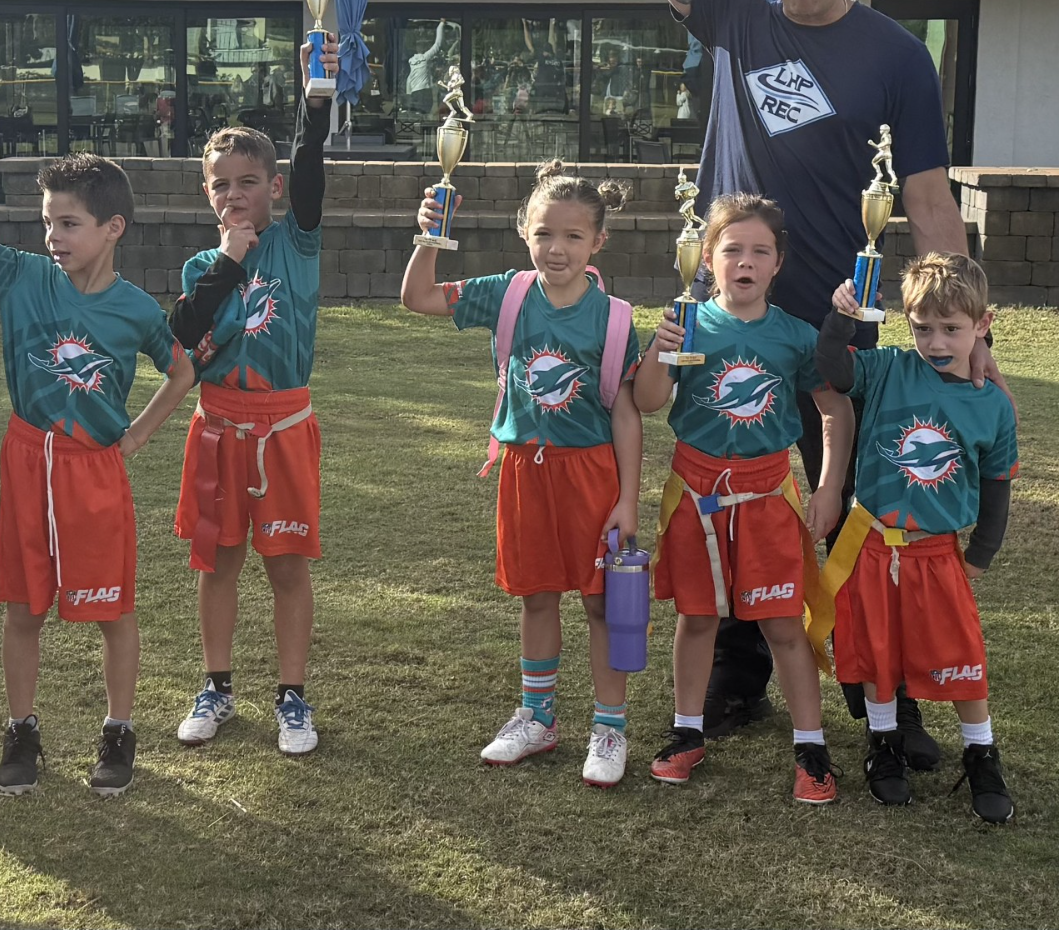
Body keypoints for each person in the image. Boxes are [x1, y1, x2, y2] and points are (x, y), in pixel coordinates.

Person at [579, 0, 1003, 750]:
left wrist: (966, 327)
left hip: (842, 308)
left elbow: (924, 196)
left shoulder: (898, 56)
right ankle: (732, 666)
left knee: (850, 487)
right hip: (736, 298)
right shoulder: (735, 15)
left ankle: (874, 683)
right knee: (729, 464)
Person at [0, 124, 196, 797]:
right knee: (24, 608)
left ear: (113, 227)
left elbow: (181, 371)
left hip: (93, 470)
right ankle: (21, 728)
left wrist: (134, 437)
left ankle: (119, 728)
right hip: (27, 459)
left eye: (69, 222)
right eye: (48, 220)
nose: (53, 233)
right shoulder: (20, 273)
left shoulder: (135, 308)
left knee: (113, 609)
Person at [400, 161, 643, 788]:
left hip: (590, 474)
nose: (555, 249)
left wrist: (628, 500)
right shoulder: (505, 292)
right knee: (536, 595)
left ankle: (609, 727)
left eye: (571, 236)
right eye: (543, 234)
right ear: (522, 230)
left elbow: (624, 411)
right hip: (522, 471)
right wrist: (429, 235)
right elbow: (418, 298)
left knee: (601, 603)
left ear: (598, 242)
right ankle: (537, 718)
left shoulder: (614, 317)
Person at [632, 194, 850, 803]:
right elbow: (648, 400)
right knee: (698, 618)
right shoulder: (690, 323)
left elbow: (834, 408)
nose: (745, 262)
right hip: (695, 496)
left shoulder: (796, 337)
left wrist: (829, 485)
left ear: (778, 263)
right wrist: (659, 347)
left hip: (767, 497)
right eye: (733, 250)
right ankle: (686, 731)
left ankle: (811, 747)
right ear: (707, 258)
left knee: (784, 625)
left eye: (760, 251)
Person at [168, 38, 337, 756]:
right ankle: (216, 684)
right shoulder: (205, 262)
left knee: (286, 566)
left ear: (271, 186)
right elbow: (185, 331)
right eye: (220, 184)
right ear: (205, 192)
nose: (235, 194)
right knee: (218, 560)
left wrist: (314, 100)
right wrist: (230, 260)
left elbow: (309, 168)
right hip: (219, 431)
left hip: (283, 427)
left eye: (248, 181)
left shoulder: (297, 240)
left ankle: (292, 696)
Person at [816, 254, 1017, 823]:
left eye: (951, 328)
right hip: (872, 544)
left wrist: (980, 554)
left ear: (983, 325)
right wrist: (840, 317)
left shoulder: (992, 403)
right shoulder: (888, 369)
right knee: (878, 649)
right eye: (922, 327)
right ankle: (884, 746)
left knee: (960, 655)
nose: (935, 342)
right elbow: (833, 368)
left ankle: (981, 752)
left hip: (936, 553)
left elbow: (998, 484)